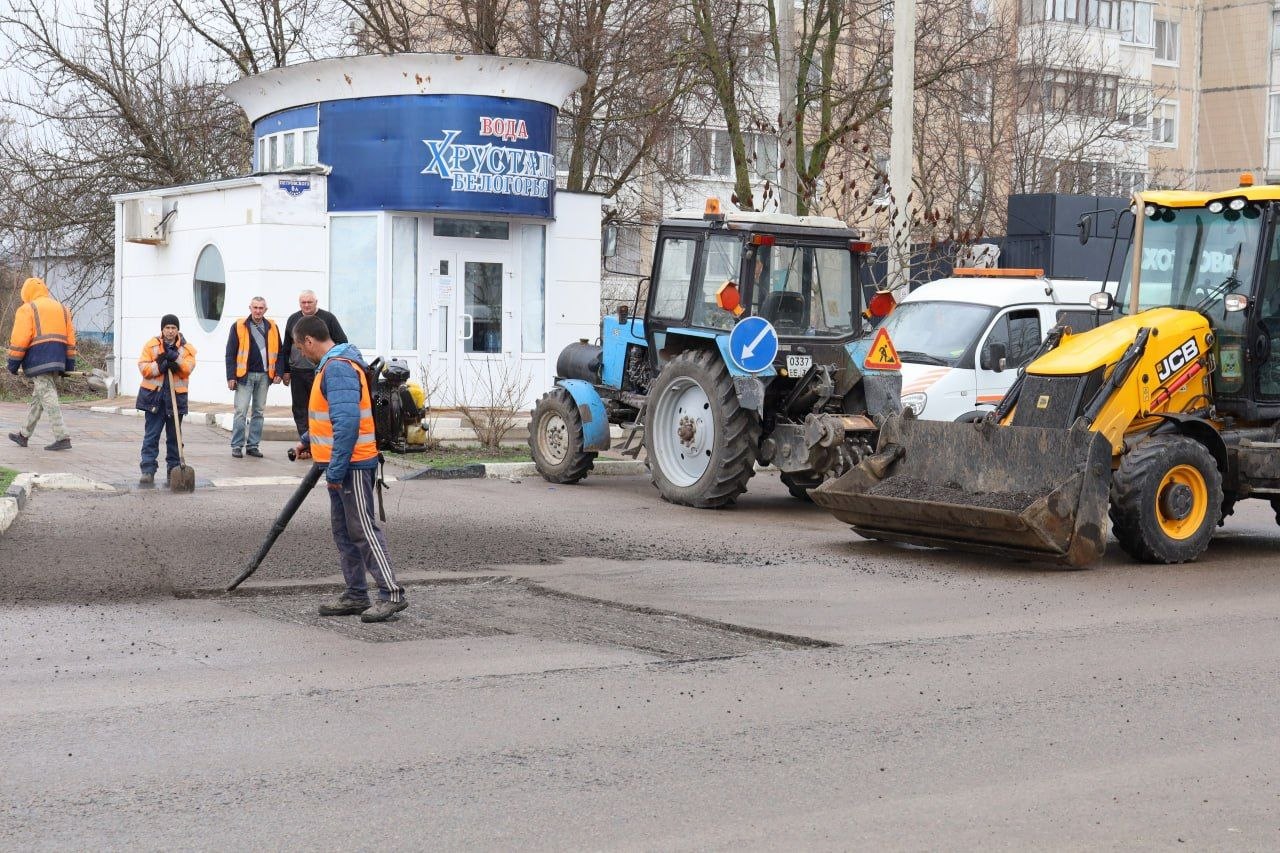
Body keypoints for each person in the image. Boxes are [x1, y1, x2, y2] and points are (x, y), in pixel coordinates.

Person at [292, 315, 407, 623]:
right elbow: (332, 416)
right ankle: (356, 594)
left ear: (309, 341)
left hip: (353, 463)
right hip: (343, 462)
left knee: (362, 530)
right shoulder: (333, 365)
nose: (301, 354)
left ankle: (391, 594)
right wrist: (307, 441)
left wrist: (336, 469)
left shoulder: (339, 368)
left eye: (300, 348)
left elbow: (347, 424)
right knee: (344, 532)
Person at [6, 276, 75, 451]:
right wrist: (69, 363)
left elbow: (20, 339)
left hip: (39, 359)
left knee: (47, 396)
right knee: (39, 397)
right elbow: (70, 339)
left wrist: (13, 363)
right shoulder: (63, 308)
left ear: (26, 293)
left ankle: (62, 436)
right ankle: (24, 435)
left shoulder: (27, 309)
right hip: (58, 358)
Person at [280, 290, 347, 445]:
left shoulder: (328, 318)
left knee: (320, 407)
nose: (306, 305)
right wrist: (285, 370)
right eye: (303, 302)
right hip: (297, 372)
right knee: (299, 409)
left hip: (321, 371)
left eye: (309, 302)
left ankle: (320, 442)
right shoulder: (293, 319)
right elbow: (286, 346)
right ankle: (305, 443)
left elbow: (342, 341)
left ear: (316, 302)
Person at [136, 315, 197, 486]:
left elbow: (188, 368)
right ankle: (148, 470)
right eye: (167, 328)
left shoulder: (187, 349)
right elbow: (143, 367)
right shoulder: (152, 345)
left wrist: (175, 360)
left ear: (178, 330)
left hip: (176, 399)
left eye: (173, 328)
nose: (170, 331)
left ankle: (174, 469)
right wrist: (160, 365)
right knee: (151, 436)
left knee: (174, 437)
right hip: (154, 399)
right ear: (162, 329)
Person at [224, 296, 281, 458]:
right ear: (250, 308)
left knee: (259, 412)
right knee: (241, 411)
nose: (257, 311)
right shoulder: (239, 326)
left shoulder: (272, 327)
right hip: (244, 376)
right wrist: (231, 376)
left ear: (265, 310)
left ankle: (253, 446)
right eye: (255, 307)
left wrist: (278, 372)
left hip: (264, 376)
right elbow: (230, 353)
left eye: (260, 308)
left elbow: (280, 351)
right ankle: (236, 446)